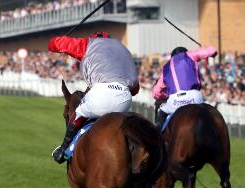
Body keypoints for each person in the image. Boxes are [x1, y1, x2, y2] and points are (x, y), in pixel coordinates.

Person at [47, 31, 140, 164]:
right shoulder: (123, 49)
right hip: (124, 98)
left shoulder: (88, 44)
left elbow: (58, 43)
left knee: (79, 112)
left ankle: (63, 150)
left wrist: (52, 43)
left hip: (101, 94)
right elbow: (135, 89)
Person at [153, 45, 218, 130]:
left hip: (175, 101)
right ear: (185, 52)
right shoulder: (190, 54)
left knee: (162, 112)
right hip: (195, 98)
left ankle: (157, 138)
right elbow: (212, 50)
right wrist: (206, 48)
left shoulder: (166, 67)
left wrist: (164, 96)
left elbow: (156, 93)